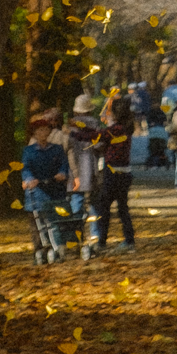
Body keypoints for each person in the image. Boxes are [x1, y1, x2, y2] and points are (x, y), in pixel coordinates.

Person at [21, 110, 73, 263]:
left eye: (45, 130)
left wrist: (62, 173)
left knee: (54, 221)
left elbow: (64, 164)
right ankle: (39, 249)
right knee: (37, 223)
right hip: (36, 191)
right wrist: (30, 179)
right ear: (34, 134)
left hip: (54, 189)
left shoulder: (56, 149)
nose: (43, 133)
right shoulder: (28, 151)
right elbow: (25, 168)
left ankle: (58, 247)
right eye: (39, 131)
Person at [92, 95, 136, 251]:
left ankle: (102, 241)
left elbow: (98, 142)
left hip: (113, 173)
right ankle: (129, 240)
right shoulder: (125, 128)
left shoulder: (114, 129)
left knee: (103, 206)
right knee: (122, 207)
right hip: (125, 173)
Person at [65, 95, 102, 260]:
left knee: (76, 205)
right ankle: (95, 237)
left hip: (74, 171)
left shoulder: (70, 128)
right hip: (91, 169)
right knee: (94, 206)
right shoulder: (95, 126)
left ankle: (75, 238)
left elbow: (66, 147)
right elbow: (101, 145)